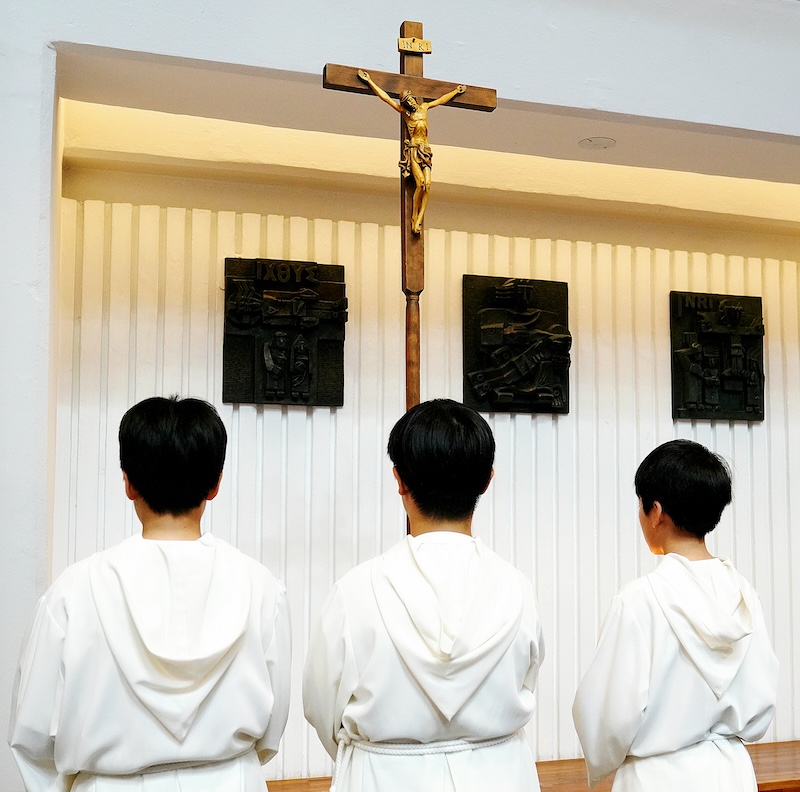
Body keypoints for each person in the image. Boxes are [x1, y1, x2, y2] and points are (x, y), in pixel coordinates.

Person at [8, 396, 291, 792]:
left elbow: (33, 737)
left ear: (128, 483)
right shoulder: (261, 587)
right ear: (216, 484)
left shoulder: (73, 592)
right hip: (231, 780)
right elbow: (273, 724)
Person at [303, 398, 545, 792]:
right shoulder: (517, 588)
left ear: (399, 479)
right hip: (501, 774)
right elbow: (527, 680)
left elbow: (321, 705)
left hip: (383, 777)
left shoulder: (356, 591)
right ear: (487, 480)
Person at [572, 439, 778, 791]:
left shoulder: (639, 600)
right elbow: (761, 702)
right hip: (731, 773)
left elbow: (607, 718)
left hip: (657, 777)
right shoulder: (745, 596)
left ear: (656, 512)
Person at [357, 70, 466, 234]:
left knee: (428, 185)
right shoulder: (406, 114)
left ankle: (420, 218)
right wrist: (370, 81)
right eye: (407, 101)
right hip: (414, 150)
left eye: (411, 99)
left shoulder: (424, 107)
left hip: (425, 150)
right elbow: (386, 98)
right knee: (420, 183)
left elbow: (441, 100)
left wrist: (455, 91)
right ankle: (414, 216)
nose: (411, 103)